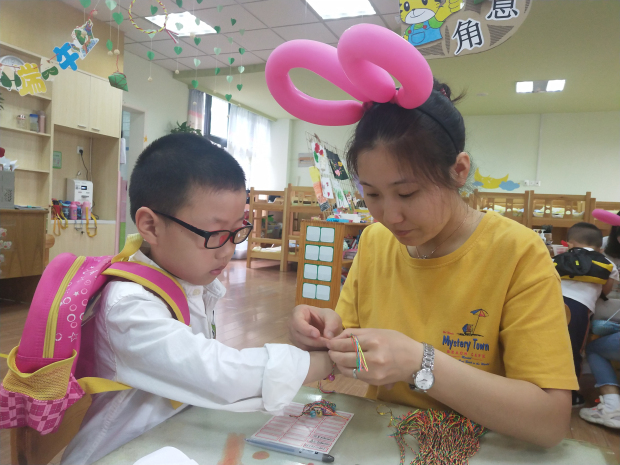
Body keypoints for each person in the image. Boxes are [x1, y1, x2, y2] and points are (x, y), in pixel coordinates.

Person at [289, 80, 578, 448]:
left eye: (407, 193)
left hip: (481, 448)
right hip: (390, 441)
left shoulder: (518, 252)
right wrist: (321, 336)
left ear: (459, 170)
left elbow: (549, 422)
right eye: (372, 194)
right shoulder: (376, 241)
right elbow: (351, 349)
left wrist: (420, 362)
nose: (390, 216)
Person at [62, 134, 333, 465]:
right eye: (215, 234)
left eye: (237, 231)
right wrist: (326, 362)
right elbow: (218, 374)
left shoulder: (186, 283)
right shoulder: (128, 306)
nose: (228, 250)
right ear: (150, 226)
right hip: (117, 454)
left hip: (170, 438)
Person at [555, 223, 619, 407]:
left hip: (551, 305)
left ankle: (542, 387)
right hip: (578, 310)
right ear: (601, 248)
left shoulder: (558, 258)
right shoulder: (608, 264)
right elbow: (605, 292)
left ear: (569, 244)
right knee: (574, 351)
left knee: (550, 347)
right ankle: (571, 395)